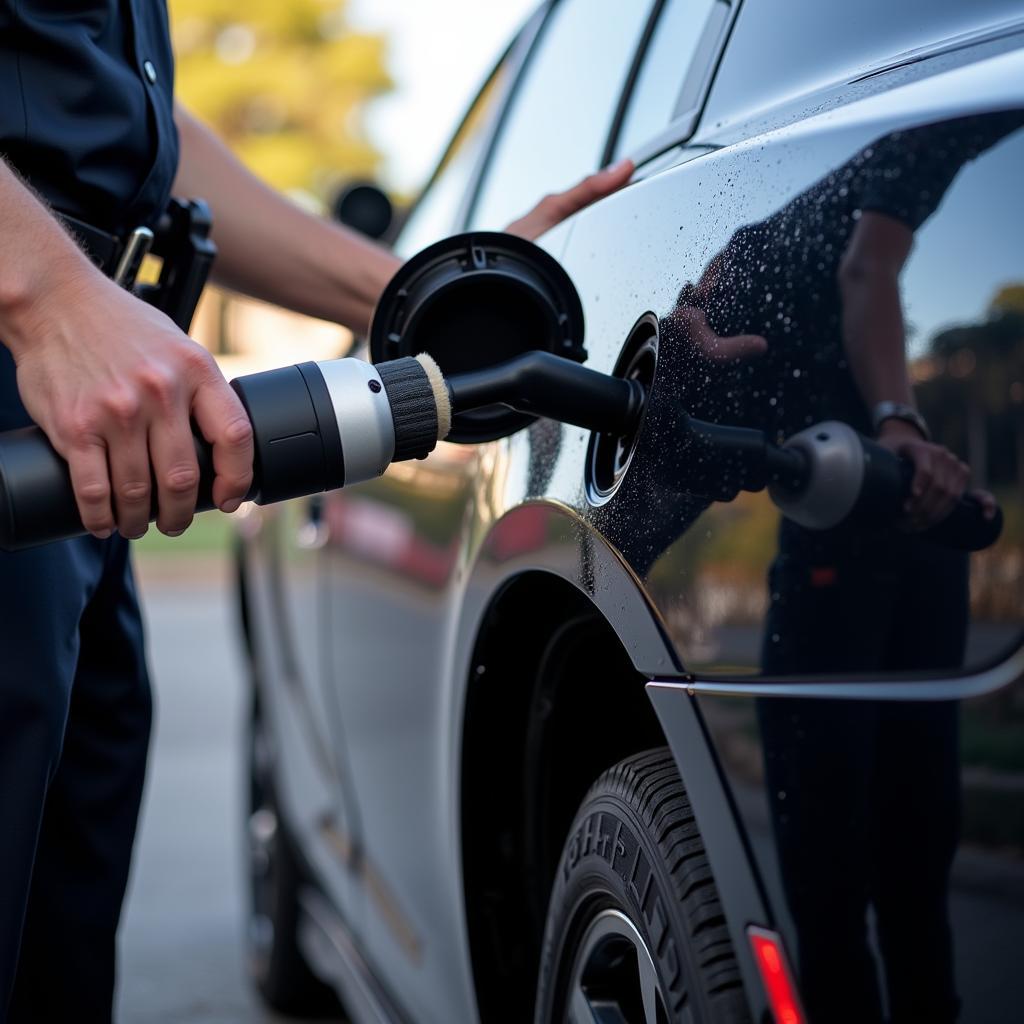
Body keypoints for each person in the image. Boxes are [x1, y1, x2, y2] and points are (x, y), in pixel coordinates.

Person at [0, 3, 634, 1020]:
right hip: (45, 365)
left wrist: (410, 294)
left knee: (53, 944)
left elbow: (131, 130)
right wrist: (46, 296)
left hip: (88, 418)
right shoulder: (47, 307)